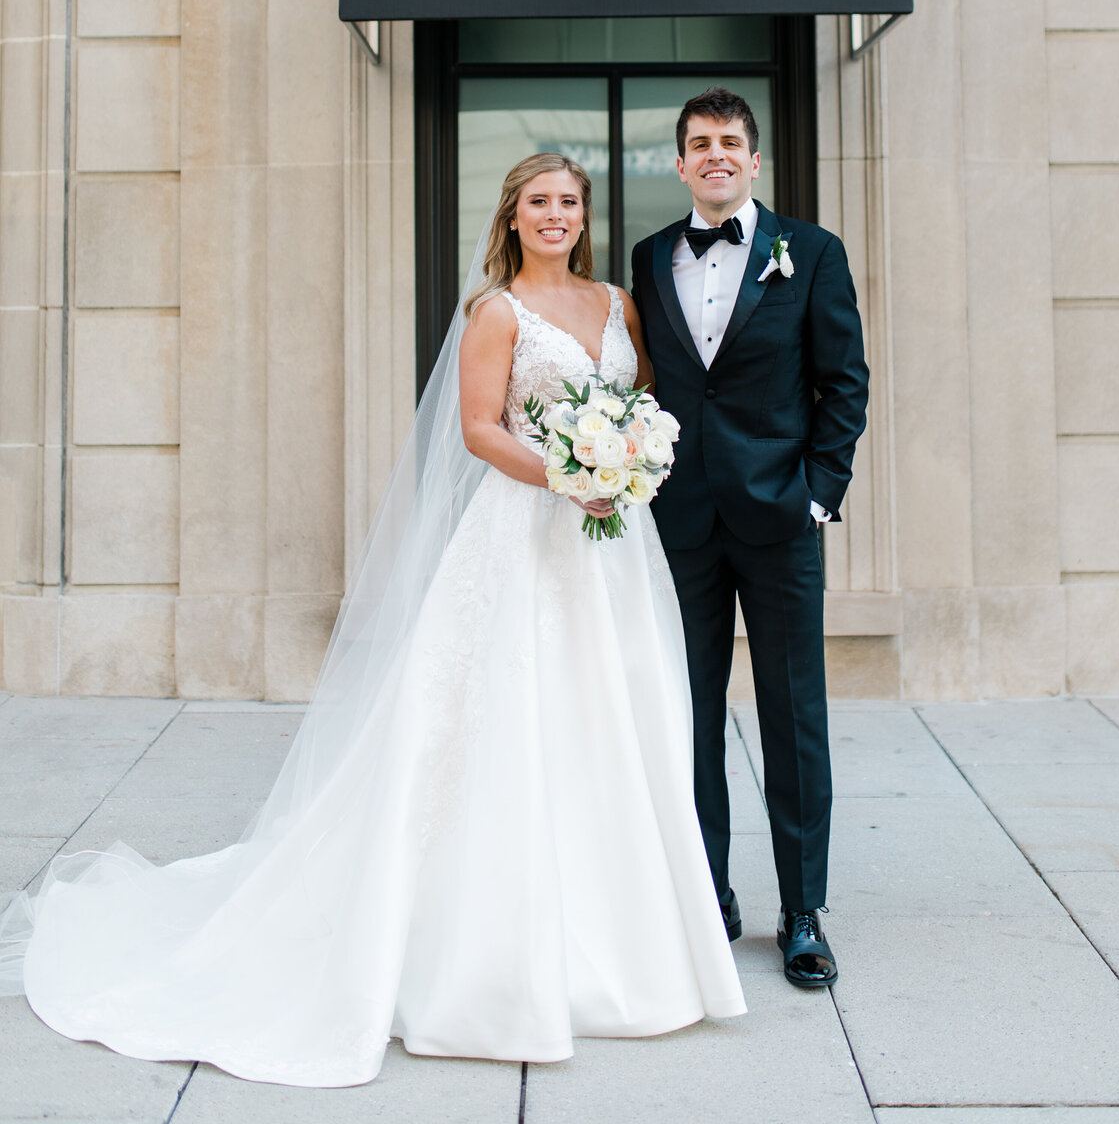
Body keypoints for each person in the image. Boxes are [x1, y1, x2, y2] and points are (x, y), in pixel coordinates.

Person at [0, 153, 743, 1087]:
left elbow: (638, 405)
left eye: (568, 203)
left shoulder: (616, 305)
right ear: (511, 218)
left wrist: (625, 465)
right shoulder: (494, 314)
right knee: (505, 725)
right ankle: (491, 958)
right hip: (522, 537)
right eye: (537, 204)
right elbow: (481, 428)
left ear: (584, 215)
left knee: (609, 722)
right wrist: (571, 475)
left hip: (610, 548)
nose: (554, 215)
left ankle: (620, 948)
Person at [631, 89, 869, 990]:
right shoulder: (652, 258)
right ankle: (708, 896)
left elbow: (843, 382)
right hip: (680, 525)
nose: (716, 155)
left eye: (731, 142)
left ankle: (802, 909)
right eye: (700, 144)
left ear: (754, 162)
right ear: (682, 163)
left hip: (779, 521)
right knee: (687, 714)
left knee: (793, 716)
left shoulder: (809, 253)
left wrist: (819, 495)